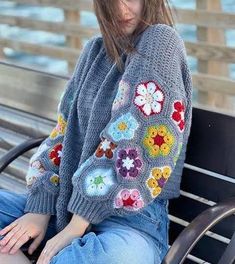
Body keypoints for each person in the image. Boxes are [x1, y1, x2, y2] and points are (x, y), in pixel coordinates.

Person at [0, 0, 193, 263]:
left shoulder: (161, 40)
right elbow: (62, 133)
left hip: (129, 223)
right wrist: (40, 209)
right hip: (65, 206)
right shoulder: (94, 50)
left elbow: (138, 148)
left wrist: (77, 225)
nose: (121, 8)